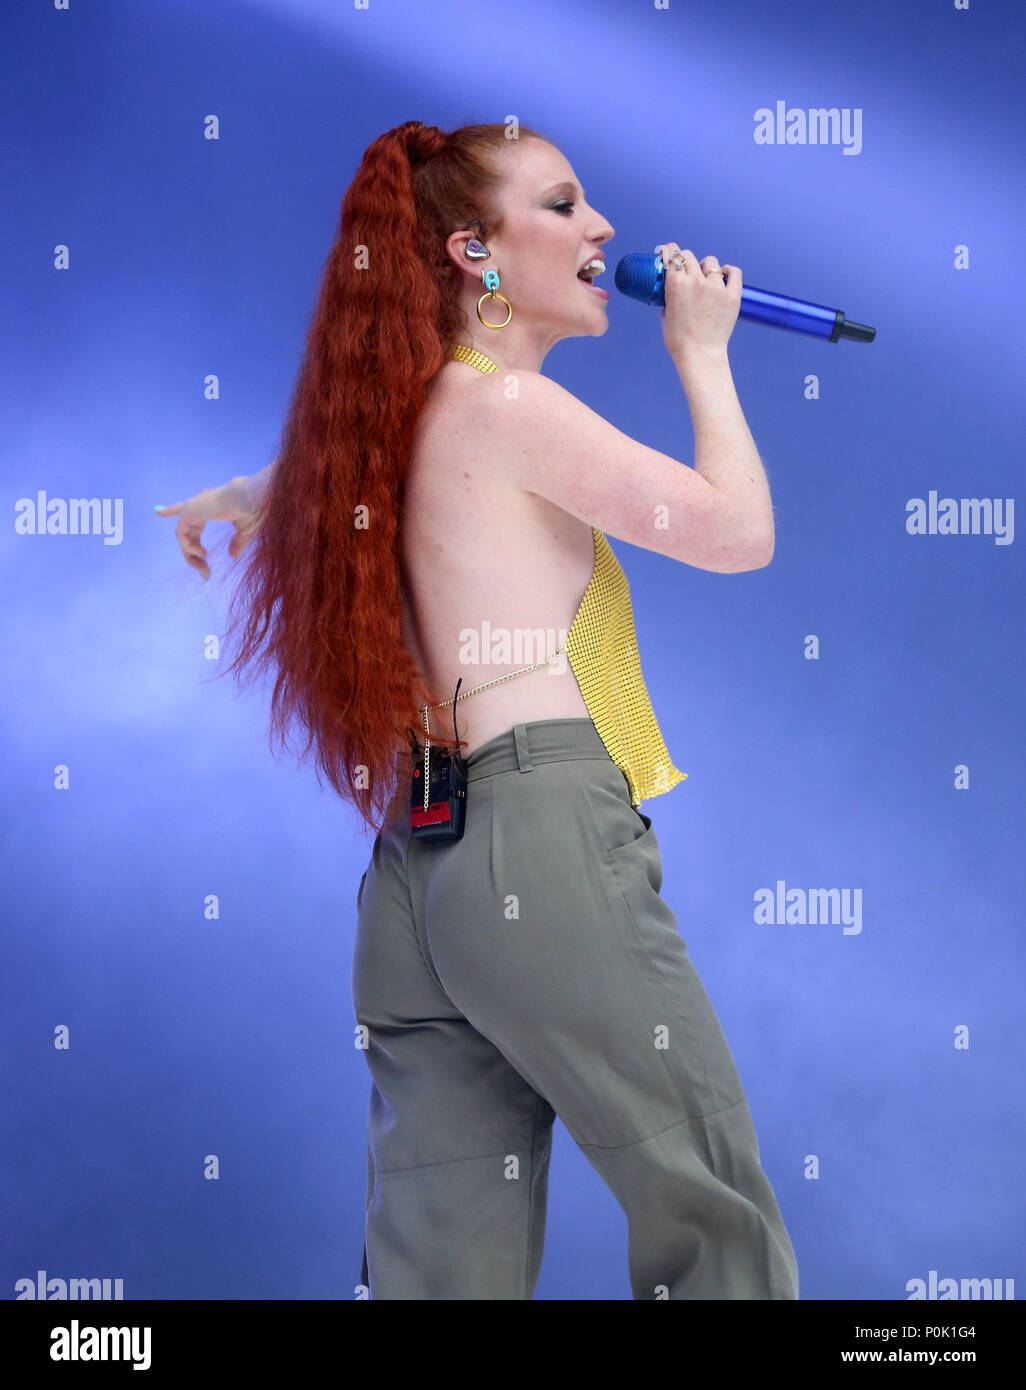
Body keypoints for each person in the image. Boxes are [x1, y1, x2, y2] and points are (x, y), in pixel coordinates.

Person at [157, 119, 797, 1301]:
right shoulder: (506, 412)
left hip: (417, 875)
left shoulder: (389, 424)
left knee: (437, 1272)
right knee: (710, 1218)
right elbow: (737, 533)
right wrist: (701, 351)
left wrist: (246, 492)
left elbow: (313, 472)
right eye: (561, 205)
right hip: (536, 835)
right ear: (474, 253)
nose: (603, 226)